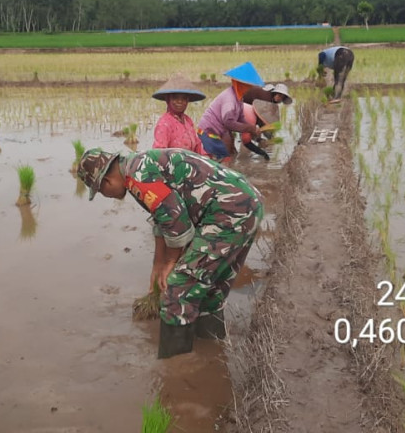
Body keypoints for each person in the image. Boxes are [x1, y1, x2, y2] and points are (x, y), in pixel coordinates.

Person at [77, 147, 265, 359]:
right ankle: (212, 356)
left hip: (228, 214)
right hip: (247, 205)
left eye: (101, 192)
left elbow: (177, 222)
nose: (107, 196)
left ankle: (177, 371)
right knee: (209, 291)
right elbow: (161, 217)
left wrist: (170, 264)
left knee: (177, 292)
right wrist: (158, 265)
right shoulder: (137, 165)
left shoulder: (138, 176)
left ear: (106, 182)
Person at [197, 62, 277, 163]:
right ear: (235, 82)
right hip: (208, 132)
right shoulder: (229, 99)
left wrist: (253, 129)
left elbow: (241, 118)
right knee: (216, 161)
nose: (247, 86)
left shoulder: (239, 98)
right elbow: (228, 122)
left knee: (227, 156)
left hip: (219, 132)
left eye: (248, 84)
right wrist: (250, 128)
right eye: (244, 84)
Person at [151, 74, 208, 156]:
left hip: (190, 164)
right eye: (175, 98)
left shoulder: (188, 121)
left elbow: (198, 146)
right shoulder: (164, 124)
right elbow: (159, 154)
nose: (180, 101)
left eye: (184, 98)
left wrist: (206, 160)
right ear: (168, 100)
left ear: (187, 100)